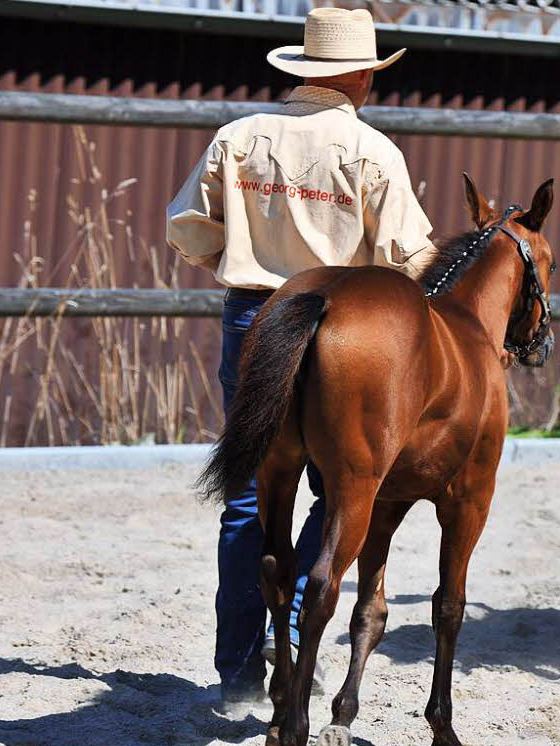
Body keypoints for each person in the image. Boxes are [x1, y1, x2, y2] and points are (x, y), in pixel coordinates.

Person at [166, 7, 436, 706]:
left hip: (256, 316)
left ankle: (237, 662)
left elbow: (188, 229)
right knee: (342, 486)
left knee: (250, 491)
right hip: (347, 331)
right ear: (356, 75)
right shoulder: (374, 151)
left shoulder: (240, 135)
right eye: (371, 74)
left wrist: (237, 253)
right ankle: (293, 627)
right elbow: (409, 259)